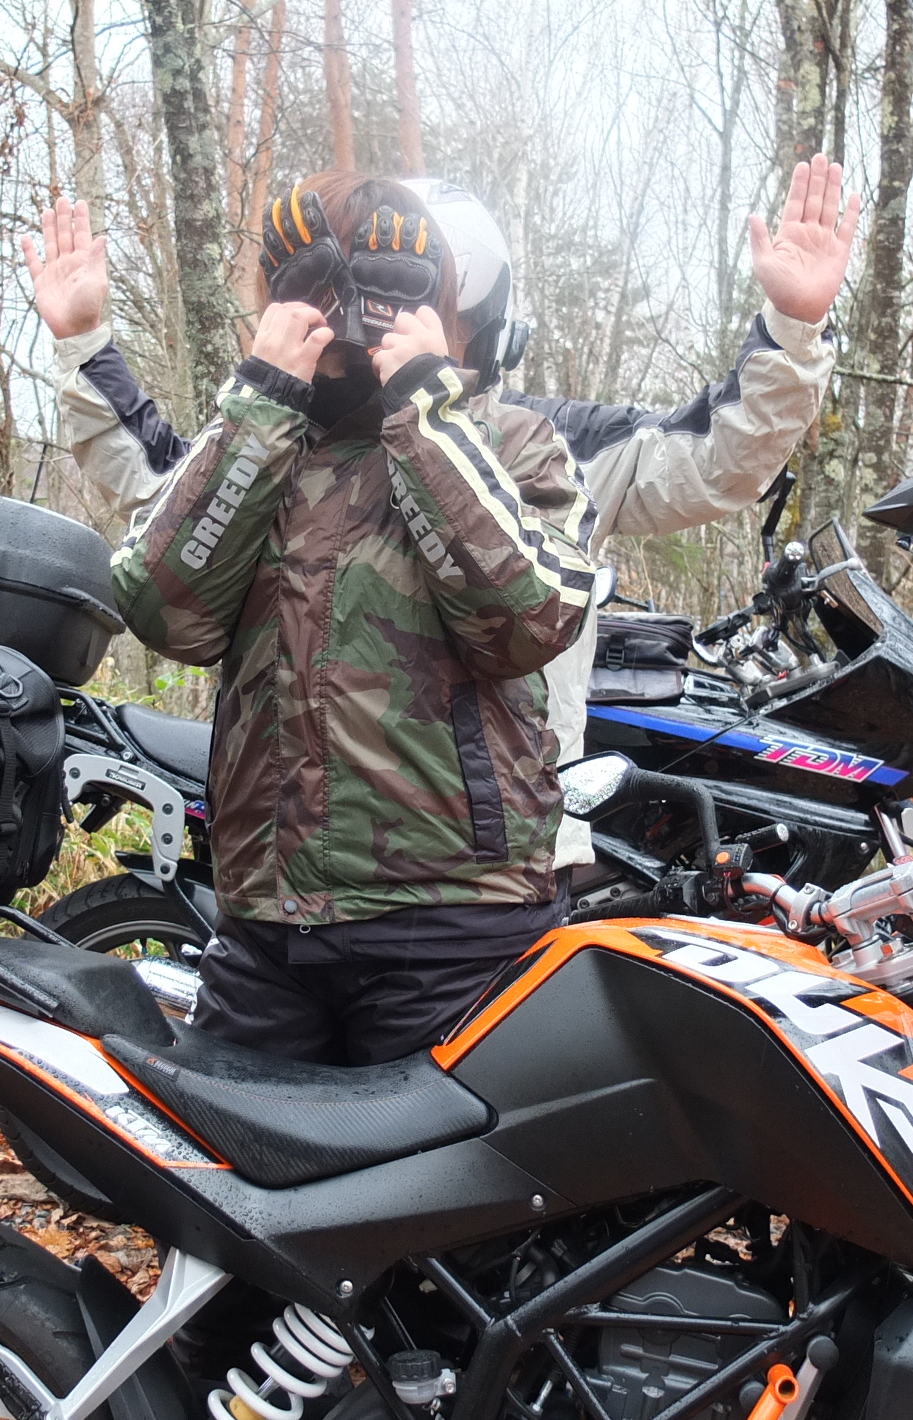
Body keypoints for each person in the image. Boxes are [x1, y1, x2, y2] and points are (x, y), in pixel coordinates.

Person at [24, 158, 858, 872]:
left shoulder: (539, 442)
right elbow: (164, 493)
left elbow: (713, 456)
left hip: (495, 866)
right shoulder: (271, 438)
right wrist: (87, 344)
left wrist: (791, 328)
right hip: (286, 882)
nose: (365, 321)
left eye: (399, 292)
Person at [101, 172, 597, 1067]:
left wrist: (422, 405)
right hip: (267, 926)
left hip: (453, 922)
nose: (348, 315)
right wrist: (262, 396)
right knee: (227, 1151)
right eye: (317, 290)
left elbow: (528, 620)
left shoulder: (507, 440)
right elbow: (163, 611)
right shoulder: (260, 440)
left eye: (379, 288)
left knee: (455, 1164)